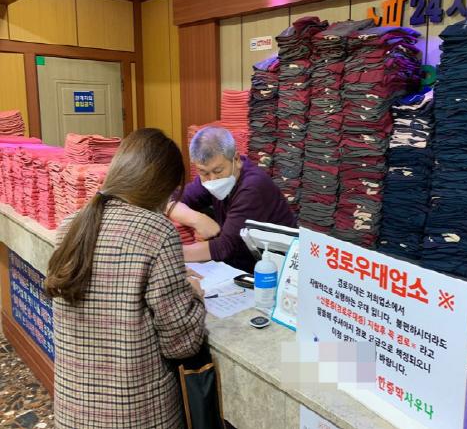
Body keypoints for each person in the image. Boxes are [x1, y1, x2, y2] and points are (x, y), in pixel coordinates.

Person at [45, 128, 206, 429]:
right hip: (136, 413)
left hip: (73, 410)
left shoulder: (71, 225)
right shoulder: (157, 231)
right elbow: (181, 344)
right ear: (164, 187)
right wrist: (193, 295)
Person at [169, 126, 296, 272]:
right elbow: (171, 198)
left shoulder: (253, 187)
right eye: (203, 172)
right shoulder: (211, 179)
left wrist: (169, 254)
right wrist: (195, 219)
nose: (212, 179)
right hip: (239, 264)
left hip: (273, 270)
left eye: (218, 171)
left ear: (236, 159)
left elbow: (224, 247)